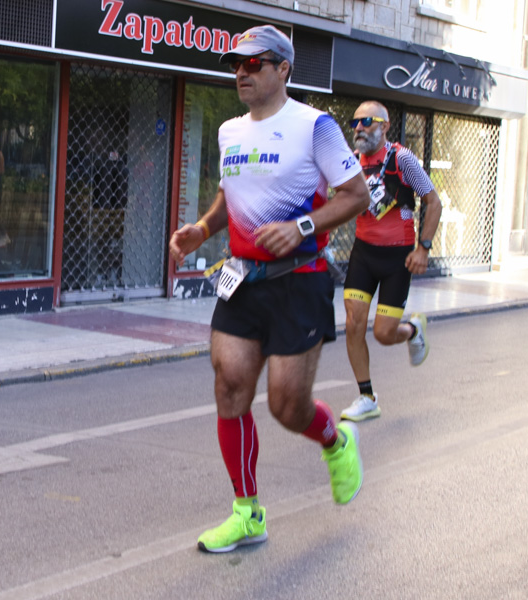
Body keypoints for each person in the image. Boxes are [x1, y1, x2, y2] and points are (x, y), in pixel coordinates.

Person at [167, 25, 371, 553]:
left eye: (255, 63)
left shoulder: (315, 127)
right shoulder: (230, 131)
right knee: (230, 388)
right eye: (238, 64)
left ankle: (336, 438)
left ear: (284, 69)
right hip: (242, 279)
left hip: (299, 281)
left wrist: (301, 227)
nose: (242, 72)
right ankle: (247, 512)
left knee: (287, 406)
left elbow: (356, 195)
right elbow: (227, 193)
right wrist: (202, 229)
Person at [338, 100, 442, 422]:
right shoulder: (352, 162)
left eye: (366, 122)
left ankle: (412, 330)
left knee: (383, 334)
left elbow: (433, 201)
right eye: (355, 122)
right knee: (354, 324)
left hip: (398, 256)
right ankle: (367, 396)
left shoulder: (402, 159)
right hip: (363, 253)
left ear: (384, 126)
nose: (359, 128)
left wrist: (423, 248)